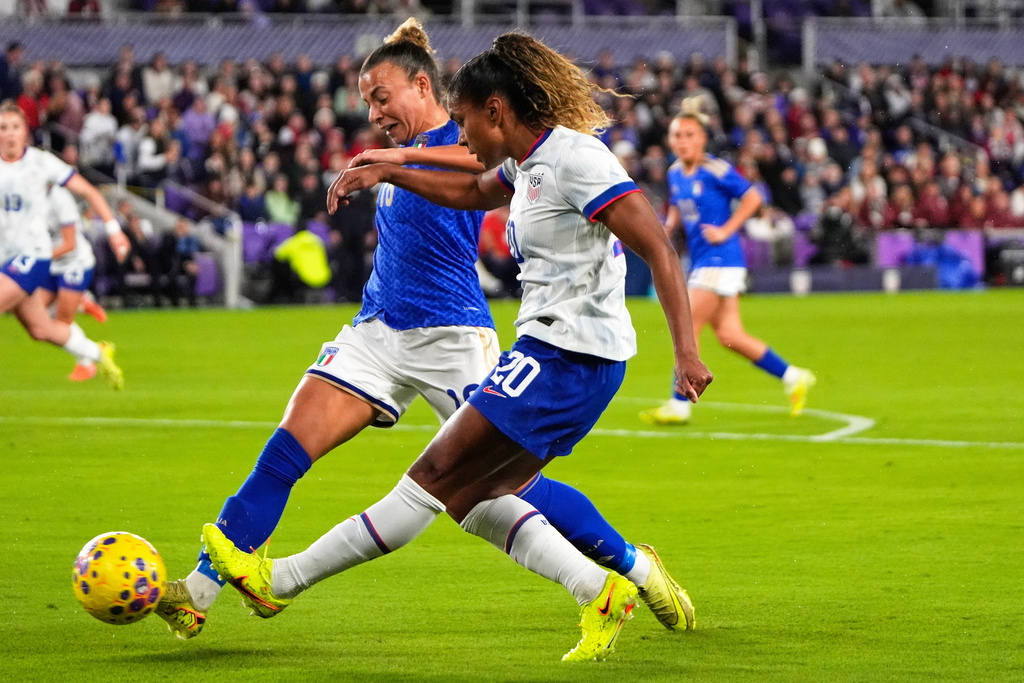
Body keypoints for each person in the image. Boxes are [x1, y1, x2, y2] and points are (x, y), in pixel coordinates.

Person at [157, 23, 701, 656]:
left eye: (381, 96)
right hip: (383, 330)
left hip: (472, 341)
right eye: (366, 101)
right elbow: (474, 185)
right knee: (319, 455)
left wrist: (685, 352)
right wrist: (387, 162)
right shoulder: (514, 162)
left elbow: (477, 171)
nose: (372, 113)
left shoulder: (502, 145)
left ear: (434, 91)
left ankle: (625, 570)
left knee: (475, 488)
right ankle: (201, 591)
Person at [640, 99, 814, 426]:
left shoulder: (716, 170)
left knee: (687, 324)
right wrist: (669, 226)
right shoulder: (675, 172)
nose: (682, 140)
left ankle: (679, 404)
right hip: (706, 260)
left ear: (702, 138)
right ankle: (794, 376)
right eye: (677, 135)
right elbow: (679, 206)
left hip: (721, 259)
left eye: (689, 134)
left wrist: (726, 230)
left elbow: (754, 197)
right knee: (730, 335)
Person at [0, 100, 125, 389]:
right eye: (3, 128)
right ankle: (98, 353)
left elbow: (89, 191)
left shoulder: (41, 163)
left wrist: (114, 230)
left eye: (15, 127)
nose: (9, 134)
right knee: (40, 329)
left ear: (25, 132)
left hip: (33, 255)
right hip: (6, 259)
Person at [33, 182, 108, 381]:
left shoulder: (60, 200)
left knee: (61, 323)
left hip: (74, 263)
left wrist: (38, 256)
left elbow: (69, 244)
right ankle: (82, 304)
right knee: (37, 317)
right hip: (51, 263)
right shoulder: (28, 194)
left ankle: (86, 362)